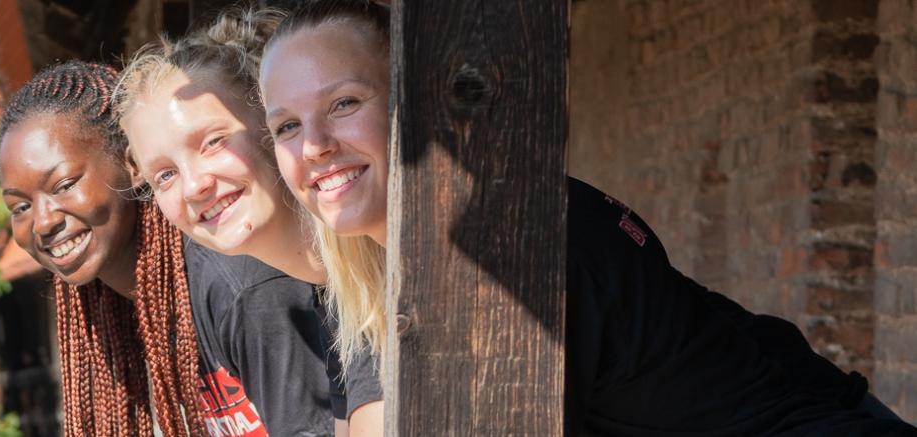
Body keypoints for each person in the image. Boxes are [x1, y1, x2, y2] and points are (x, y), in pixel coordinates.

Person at [256, 0, 917, 434]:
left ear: (412, 100)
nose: (314, 145)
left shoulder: (495, 244)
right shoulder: (405, 255)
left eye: (344, 103)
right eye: (287, 124)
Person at [0, 61, 346, 436]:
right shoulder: (125, 313)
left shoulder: (241, 285)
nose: (43, 221)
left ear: (131, 164)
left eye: (64, 184)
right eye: (20, 207)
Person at [113, 8, 383, 435]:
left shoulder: (376, 268)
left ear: (268, 126)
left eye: (213, 141)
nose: (194, 185)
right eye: (164, 175)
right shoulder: (338, 290)